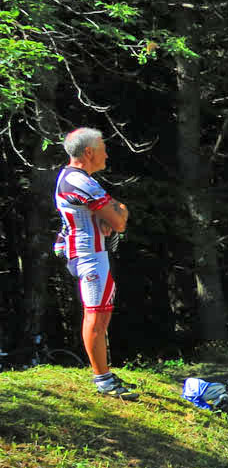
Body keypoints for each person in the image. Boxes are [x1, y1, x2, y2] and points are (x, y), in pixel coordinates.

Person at [54, 127, 137, 400]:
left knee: (102, 315)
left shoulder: (78, 178)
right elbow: (119, 220)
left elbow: (113, 216)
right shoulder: (81, 182)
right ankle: (102, 379)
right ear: (88, 152)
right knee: (96, 316)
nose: (107, 153)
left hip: (93, 255)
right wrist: (117, 212)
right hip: (89, 256)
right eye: (103, 147)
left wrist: (113, 213)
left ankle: (105, 373)